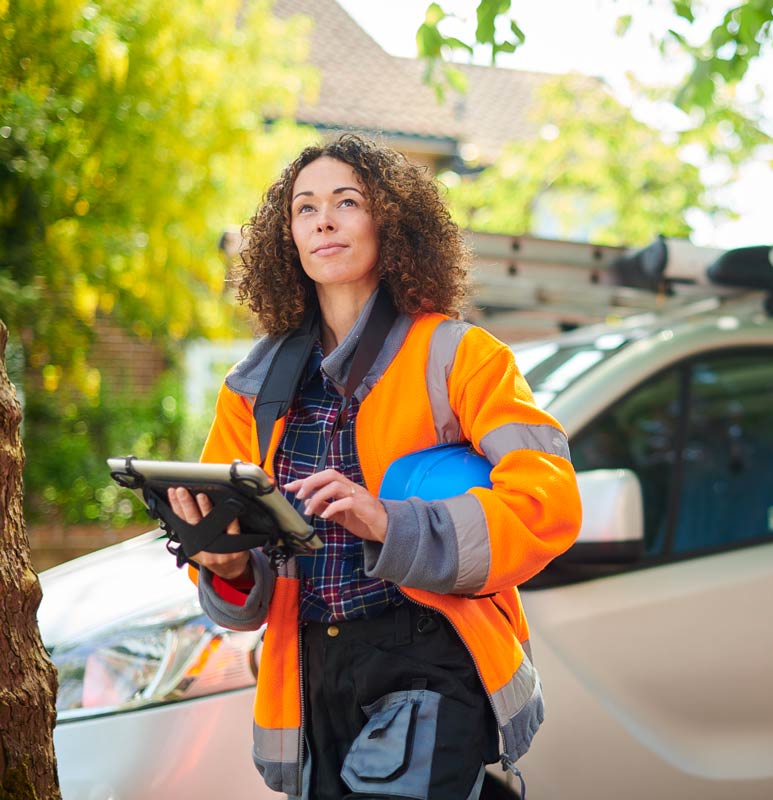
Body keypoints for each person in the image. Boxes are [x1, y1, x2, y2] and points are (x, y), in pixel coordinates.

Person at [168, 133, 582, 800]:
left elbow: (548, 503)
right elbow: (242, 594)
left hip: (429, 656)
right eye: (305, 208)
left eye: (346, 201)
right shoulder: (248, 389)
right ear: (288, 238)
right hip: (310, 670)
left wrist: (390, 522)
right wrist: (225, 564)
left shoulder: (462, 357)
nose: (323, 220)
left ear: (390, 224)